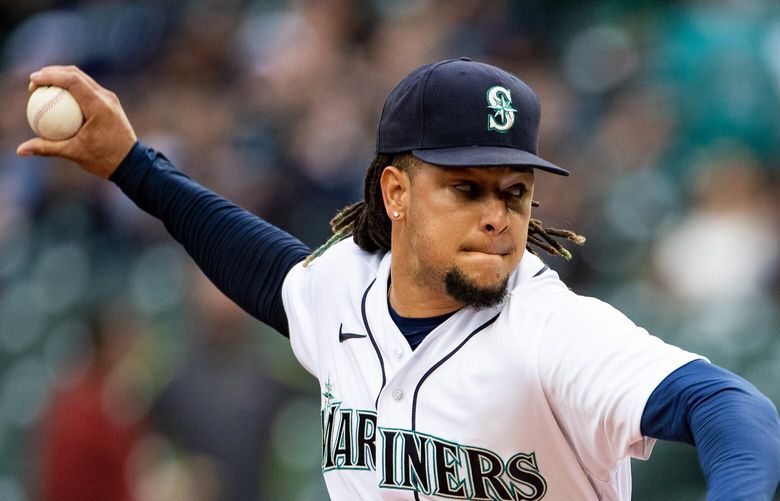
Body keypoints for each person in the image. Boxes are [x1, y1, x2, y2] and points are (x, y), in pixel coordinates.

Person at [17, 59, 780, 500]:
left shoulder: (552, 331)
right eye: (466, 188)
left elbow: (731, 408)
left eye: (515, 192)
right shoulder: (341, 287)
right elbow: (262, 267)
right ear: (396, 193)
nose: (498, 216)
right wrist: (132, 165)